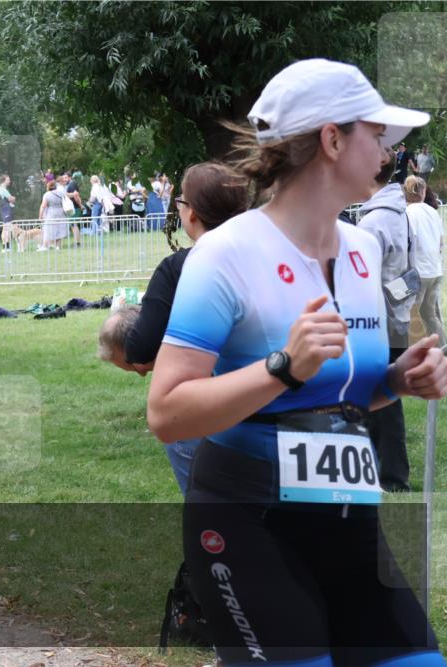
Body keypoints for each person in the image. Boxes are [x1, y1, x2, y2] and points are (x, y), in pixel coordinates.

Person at [148, 59, 444, 665]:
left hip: (349, 525)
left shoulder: (362, 248)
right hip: (248, 525)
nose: (389, 153)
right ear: (332, 140)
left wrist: (397, 381)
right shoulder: (227, 256)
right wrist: (281, 366)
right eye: (377, 134)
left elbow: (338, 400)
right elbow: (167, 412)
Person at [99, 162, 249, 493]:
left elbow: (140, 348)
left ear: (193, 213)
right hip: (275, 405)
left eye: (181, 201)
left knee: (215, 520)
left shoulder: (178, 268)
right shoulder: (272, 258)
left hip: (210, 411)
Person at [357, 156, 418, 492]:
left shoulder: (373, 223)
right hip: (395, 316)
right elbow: (410, 275)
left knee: (383, 402)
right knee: (383, 401)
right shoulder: (398, 212)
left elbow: (361, 281)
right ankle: (383, 472)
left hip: (378, 322)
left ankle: (393, 478)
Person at [406, 175, 446, 348]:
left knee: (410, 319)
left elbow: (409, 243)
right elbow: (441, 242)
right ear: (422, 192)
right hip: (435, 270)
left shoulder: (407, 213)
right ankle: (443, 352)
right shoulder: (432, 211)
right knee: (432, 317)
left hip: (418, 273)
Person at [38, 180, 68, 251]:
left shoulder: (47, 194)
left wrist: (40, 216)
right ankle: (58, 246)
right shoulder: (61, 193)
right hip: (61, 212)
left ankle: (45, 246)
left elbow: (43, 206)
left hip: (51, 213)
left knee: (48, 229)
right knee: (59, 228)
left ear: (48, 187)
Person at [0, 175, 18, 252]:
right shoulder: (3, 190)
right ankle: (6, 247)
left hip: (4, 210)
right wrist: (13, 198)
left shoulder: (1, 189)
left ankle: (5, 247)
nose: (9, 181)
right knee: (7, 228)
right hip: (6, 210)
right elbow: (11, 199)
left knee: (5, 228)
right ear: (4, 181)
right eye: (8, 180)